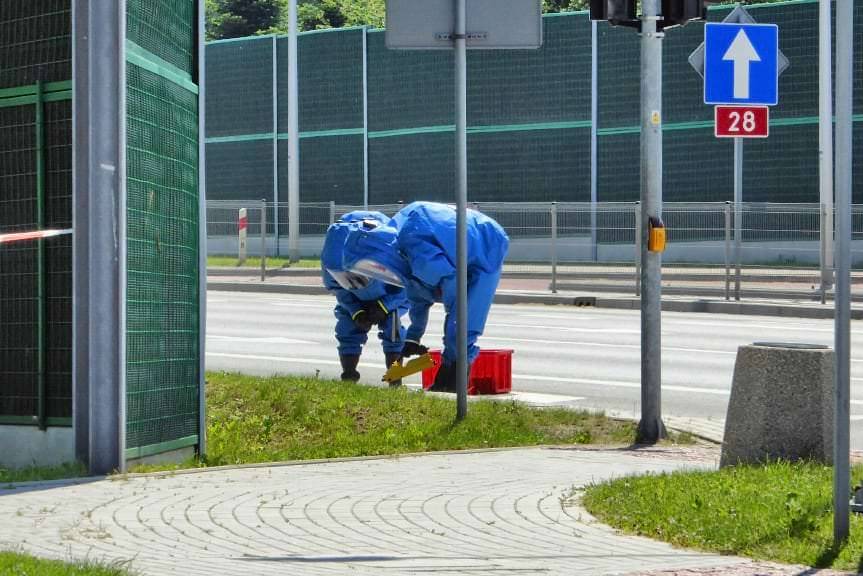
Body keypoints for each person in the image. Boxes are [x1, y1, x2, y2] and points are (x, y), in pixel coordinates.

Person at [341, 201, 509, 392]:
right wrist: (413, 337)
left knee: (463, 329)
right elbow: (418, 297)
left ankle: (454, 389)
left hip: (487, 247)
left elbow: (452, 290)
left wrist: (453, 319)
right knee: (457, 328)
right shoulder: (402, 249)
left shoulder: (414, 249)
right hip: (467, 242)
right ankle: (446, 385)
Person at [321, 211, 408, 385]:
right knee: (347, 326)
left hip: (387, 293)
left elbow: (408, 288)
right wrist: (356, 311)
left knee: (394, 328)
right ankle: (349, 376)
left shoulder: (389, 250)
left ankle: (395, 380)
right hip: (355, 297)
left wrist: (384, 306)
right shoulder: (331, 259)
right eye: (344, 276)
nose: (350, 281)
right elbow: (339, 289)